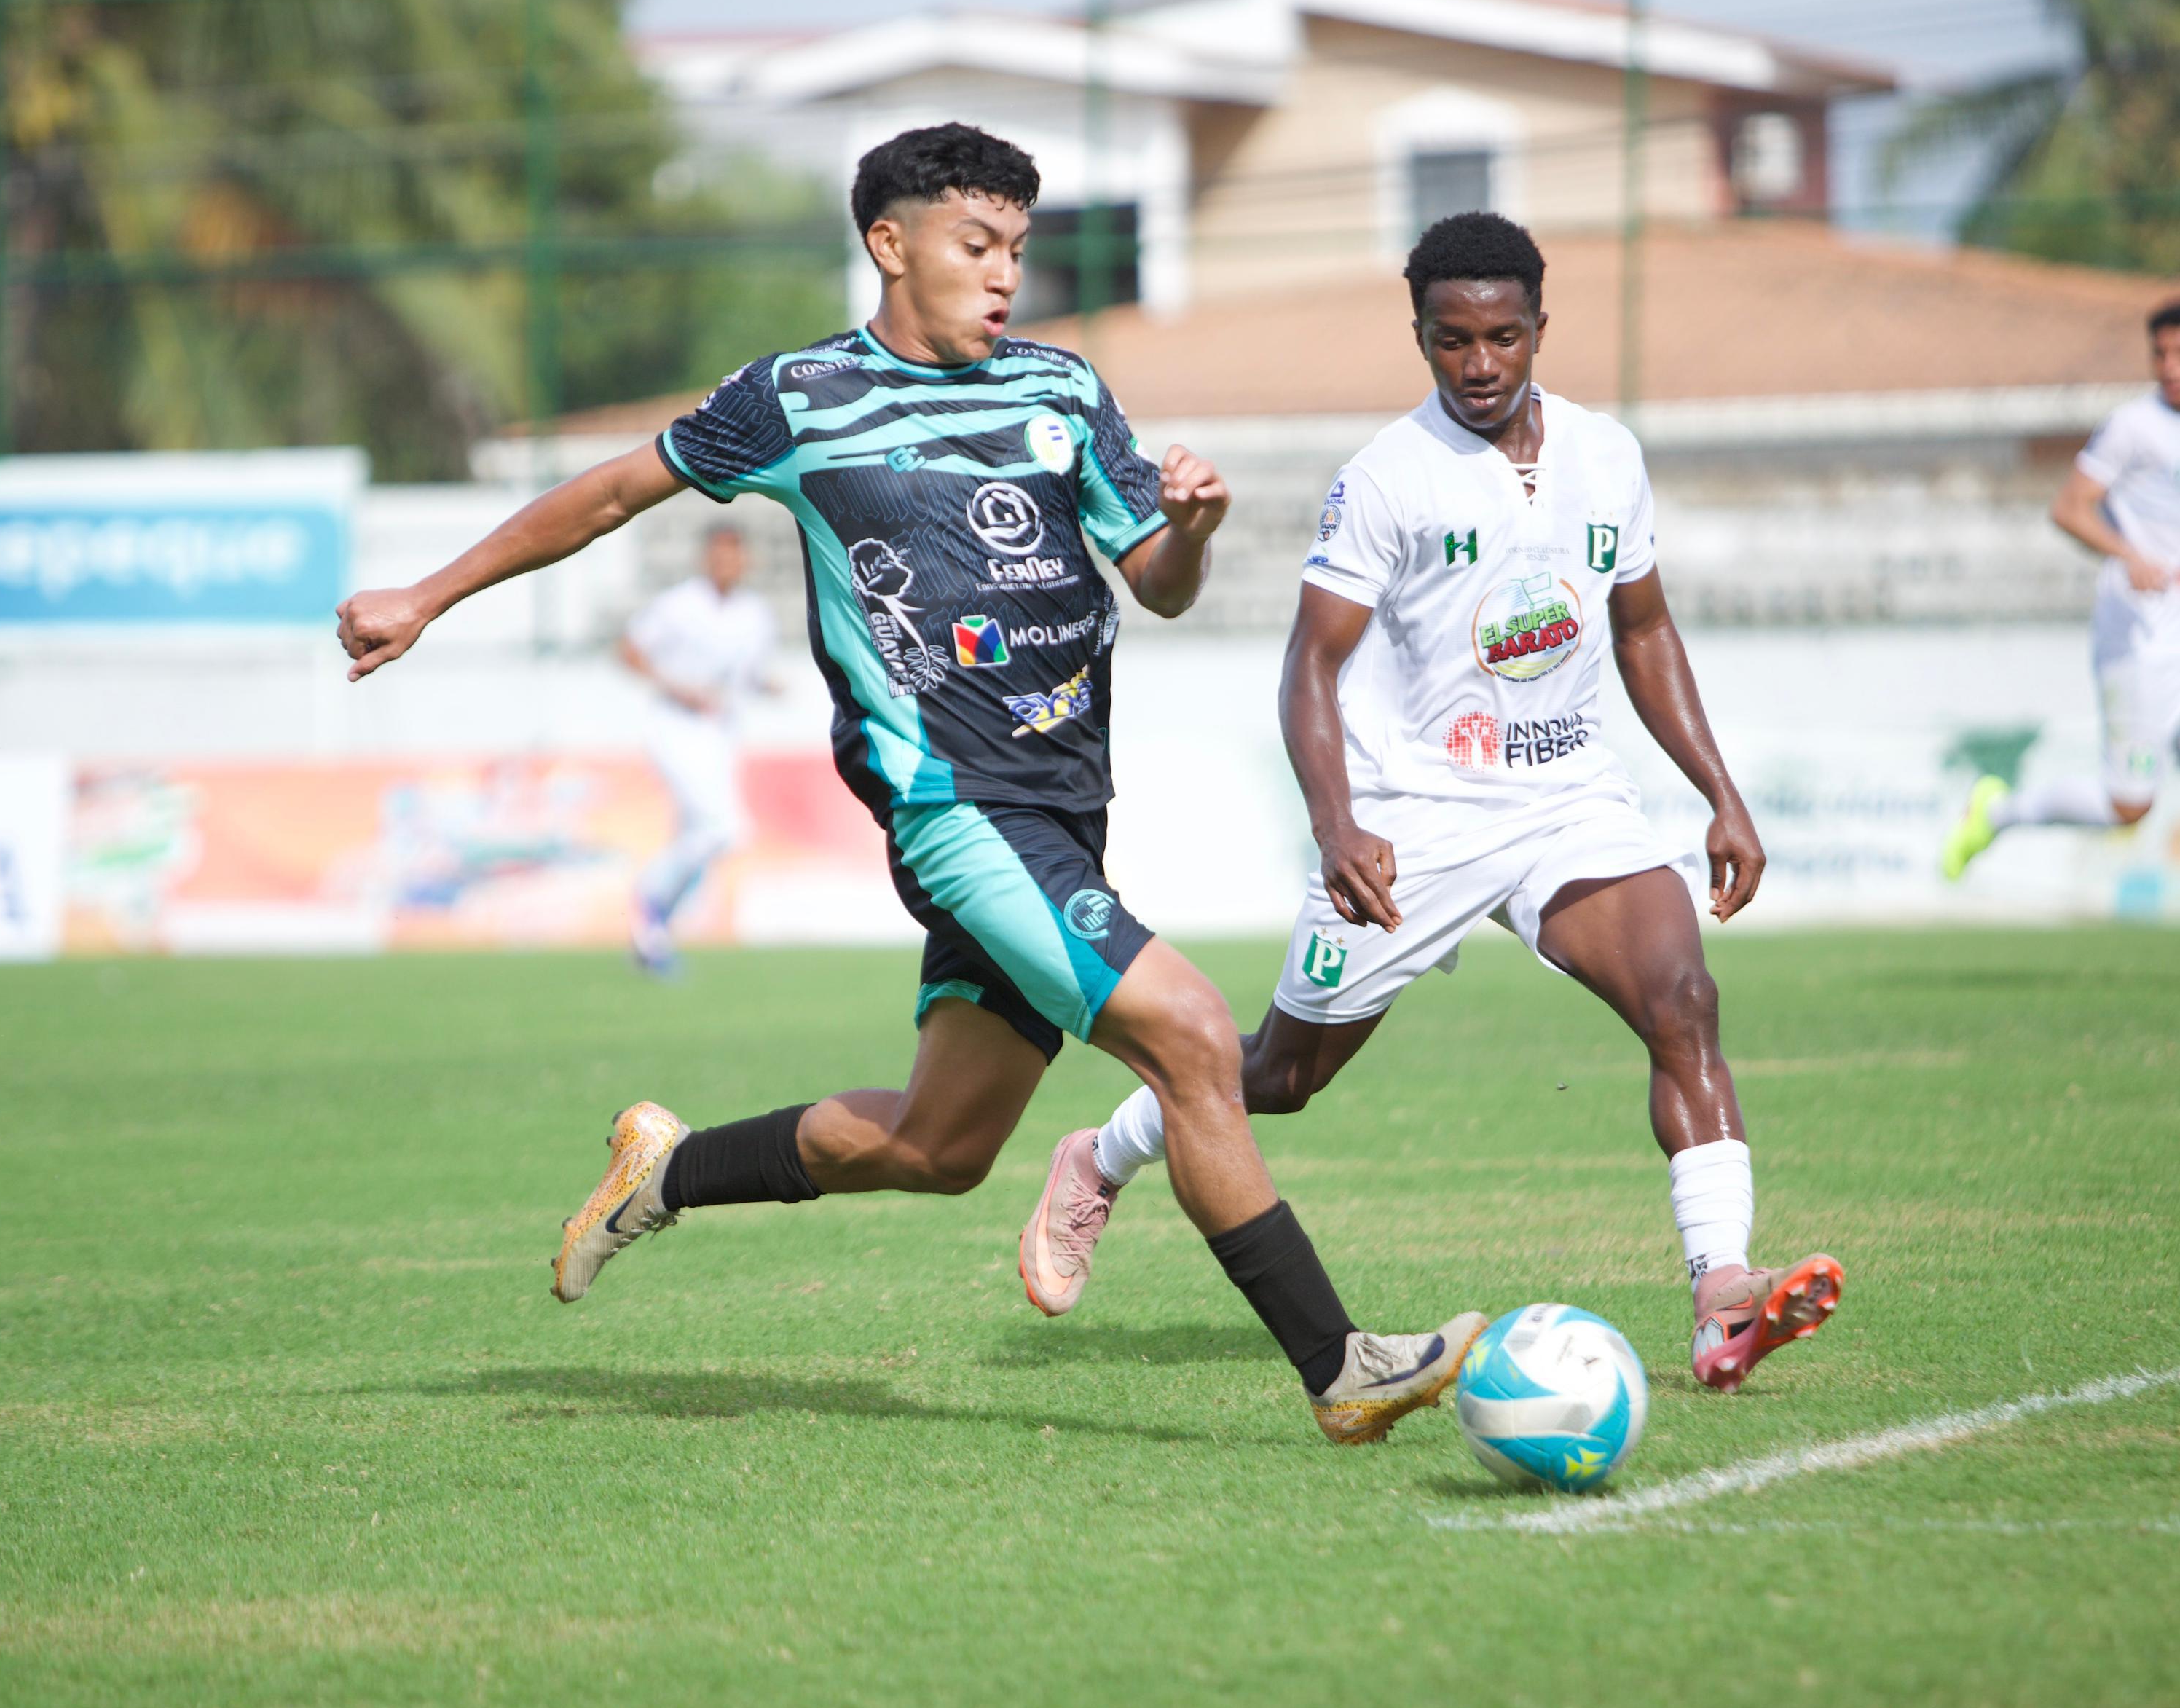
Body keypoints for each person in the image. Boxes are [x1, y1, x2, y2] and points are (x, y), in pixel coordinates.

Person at [334, 122, 1482, 1445]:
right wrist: (427, 594)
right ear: (890, 244)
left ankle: (669, 1167)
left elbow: (1158, 585)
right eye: (976, 244)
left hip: (1064, 813)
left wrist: (1194, 529)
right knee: (1193, 1033)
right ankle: (1342, 1366)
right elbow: (606, 497)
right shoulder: (798, 395)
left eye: (1017, 250)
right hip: (958, 810)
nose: (1005, 274)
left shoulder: (1061, 389)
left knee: (941, 1148)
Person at [1015, 211, 1843, 1395]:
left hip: (1569, 799)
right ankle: (1102, 1153)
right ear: (1421, 337)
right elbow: (1310, 666)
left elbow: (1645, 628)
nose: (1480, 362)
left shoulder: (1608, 454)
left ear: (1541, 327)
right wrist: (1337, 823)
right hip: (1412, 817)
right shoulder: (1386, 478)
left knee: (1684, 999)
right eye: (1453, 339)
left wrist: (1721, 792)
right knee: (1283, 1077)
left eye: (1503, 336)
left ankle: (1722, 1293)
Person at [1941, 296, 2180, 998]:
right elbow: (2069, 507)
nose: (2170, 367)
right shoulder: (2134, 427)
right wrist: (2126, 554)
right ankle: (1996, 813)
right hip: (2141, 633)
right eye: (2160, 354)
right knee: (2129, 804)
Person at [617, 523, 778, 977]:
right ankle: (649, 900)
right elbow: (629, 651)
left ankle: (652, 935)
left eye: (735, 555)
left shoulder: (755, 614)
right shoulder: (680, 605)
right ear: (706, 558)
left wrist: (773, 688)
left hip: (720, 730)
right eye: (720, 554)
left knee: (699, 833)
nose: (728, 563)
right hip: (675, 724)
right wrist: (676, 687)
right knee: (722, 828)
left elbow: (748, 676)